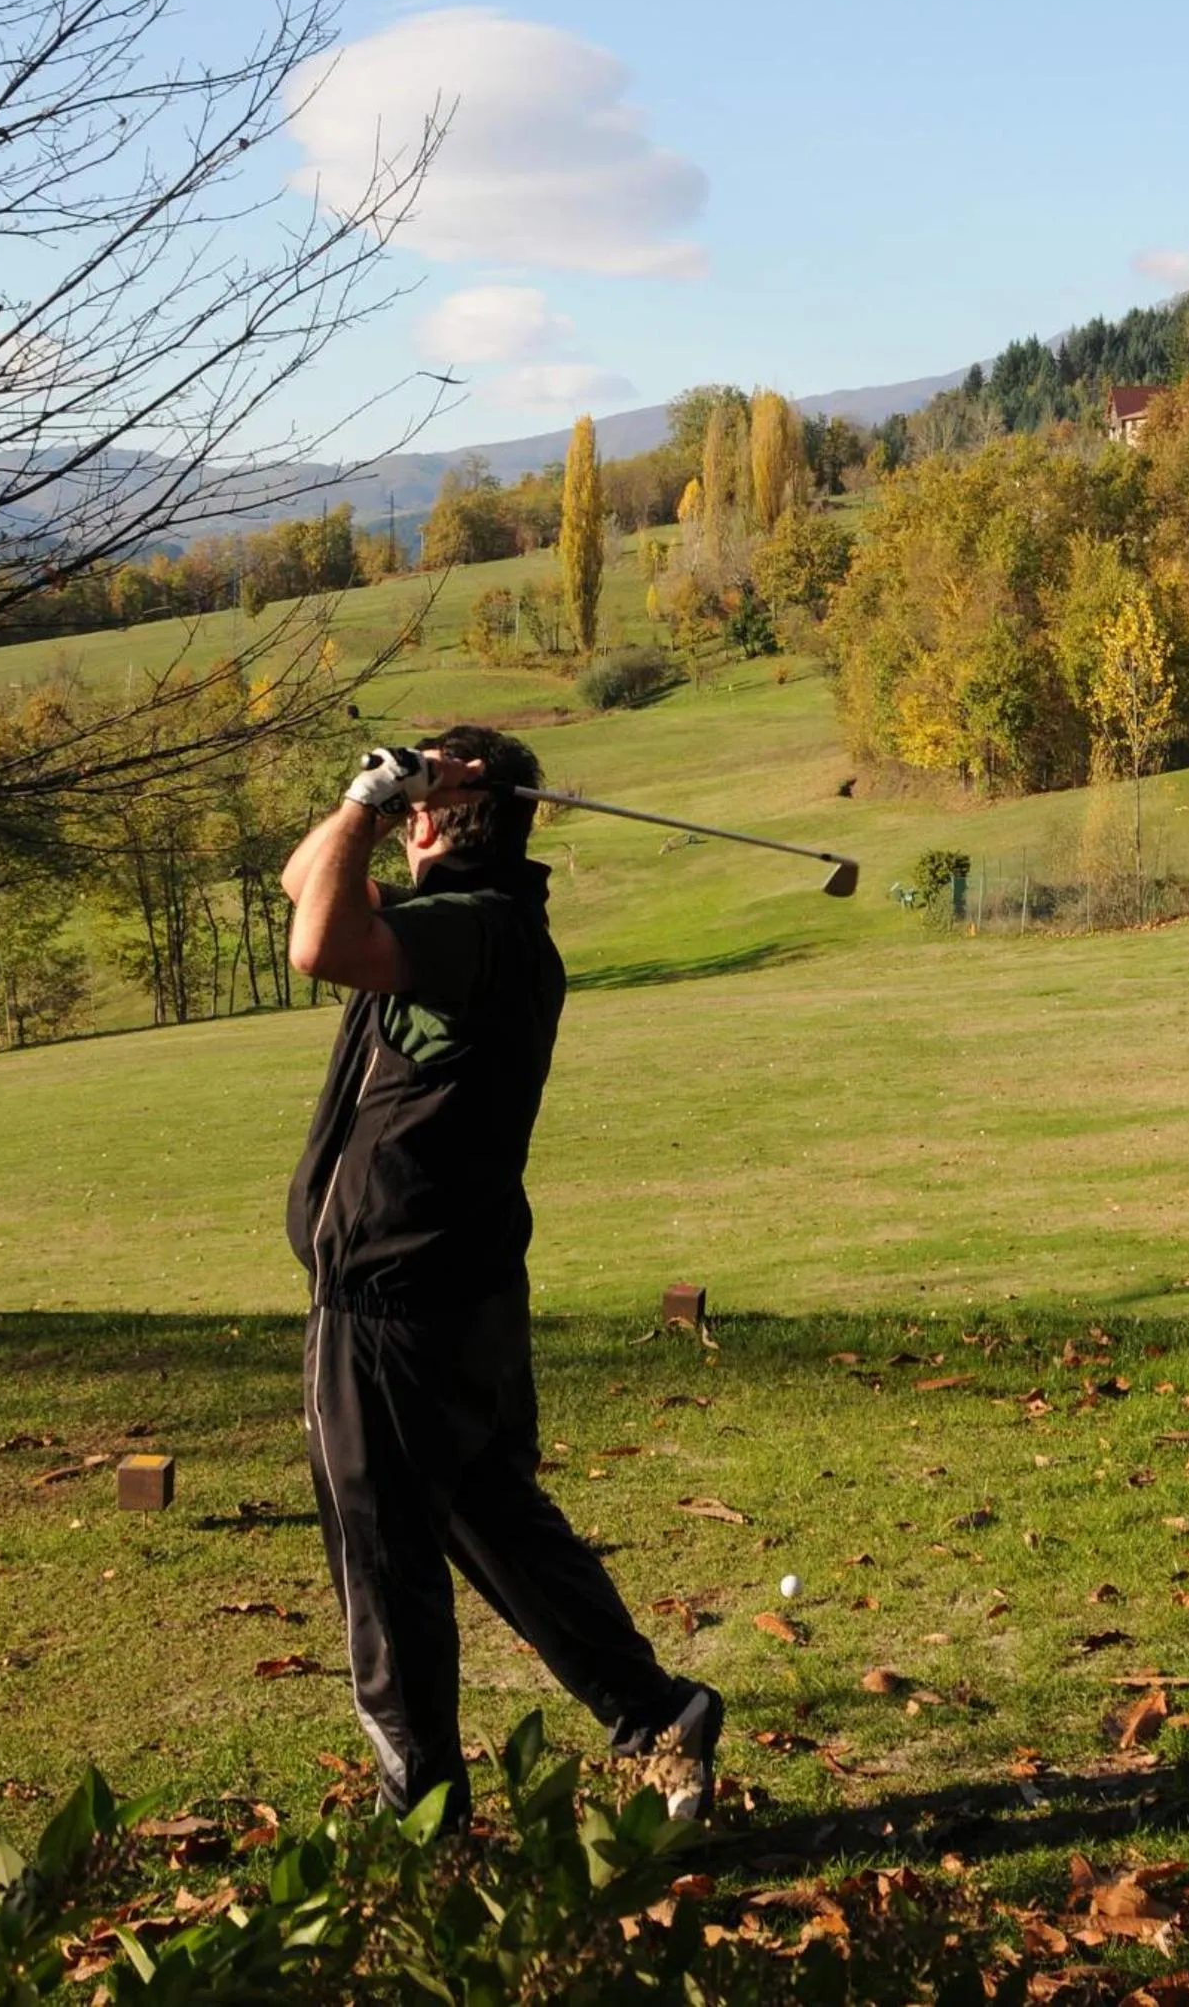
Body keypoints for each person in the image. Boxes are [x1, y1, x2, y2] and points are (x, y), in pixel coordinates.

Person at [282, 726, 721, 1830]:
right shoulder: (490, 924)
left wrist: (380, 803)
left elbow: (316, 941)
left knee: (385, 1570)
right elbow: (303, 880)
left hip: (390, 1305)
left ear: (442, 817)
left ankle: (422, 1826)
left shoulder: (466, 932)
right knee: (501, 1531)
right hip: (461, 1297)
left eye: (422, 781)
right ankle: (658, 1713)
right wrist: (371, 806)